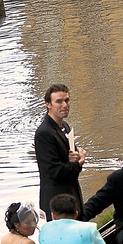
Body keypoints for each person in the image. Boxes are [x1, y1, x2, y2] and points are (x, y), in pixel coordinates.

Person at [34, 83, 85, 220]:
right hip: (56, 203)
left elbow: (69, 158)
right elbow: (53, 171)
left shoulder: (65, 126)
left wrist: (78, 155)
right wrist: (77, 164)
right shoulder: (44, 133)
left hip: (71, 195)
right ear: (48, 104)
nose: (64, 105)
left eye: (67, 100)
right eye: (59, 102)